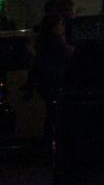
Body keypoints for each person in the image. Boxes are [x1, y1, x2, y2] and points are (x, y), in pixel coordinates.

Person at [28, 12, 72, 147]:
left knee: (51, 112)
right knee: (56, 114)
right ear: (55, 27)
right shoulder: (55, 42)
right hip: (54, 81)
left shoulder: (43, 41)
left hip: (46, 82)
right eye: (61, 24)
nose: (63, 27)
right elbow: (69, 54)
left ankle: (48, 140)